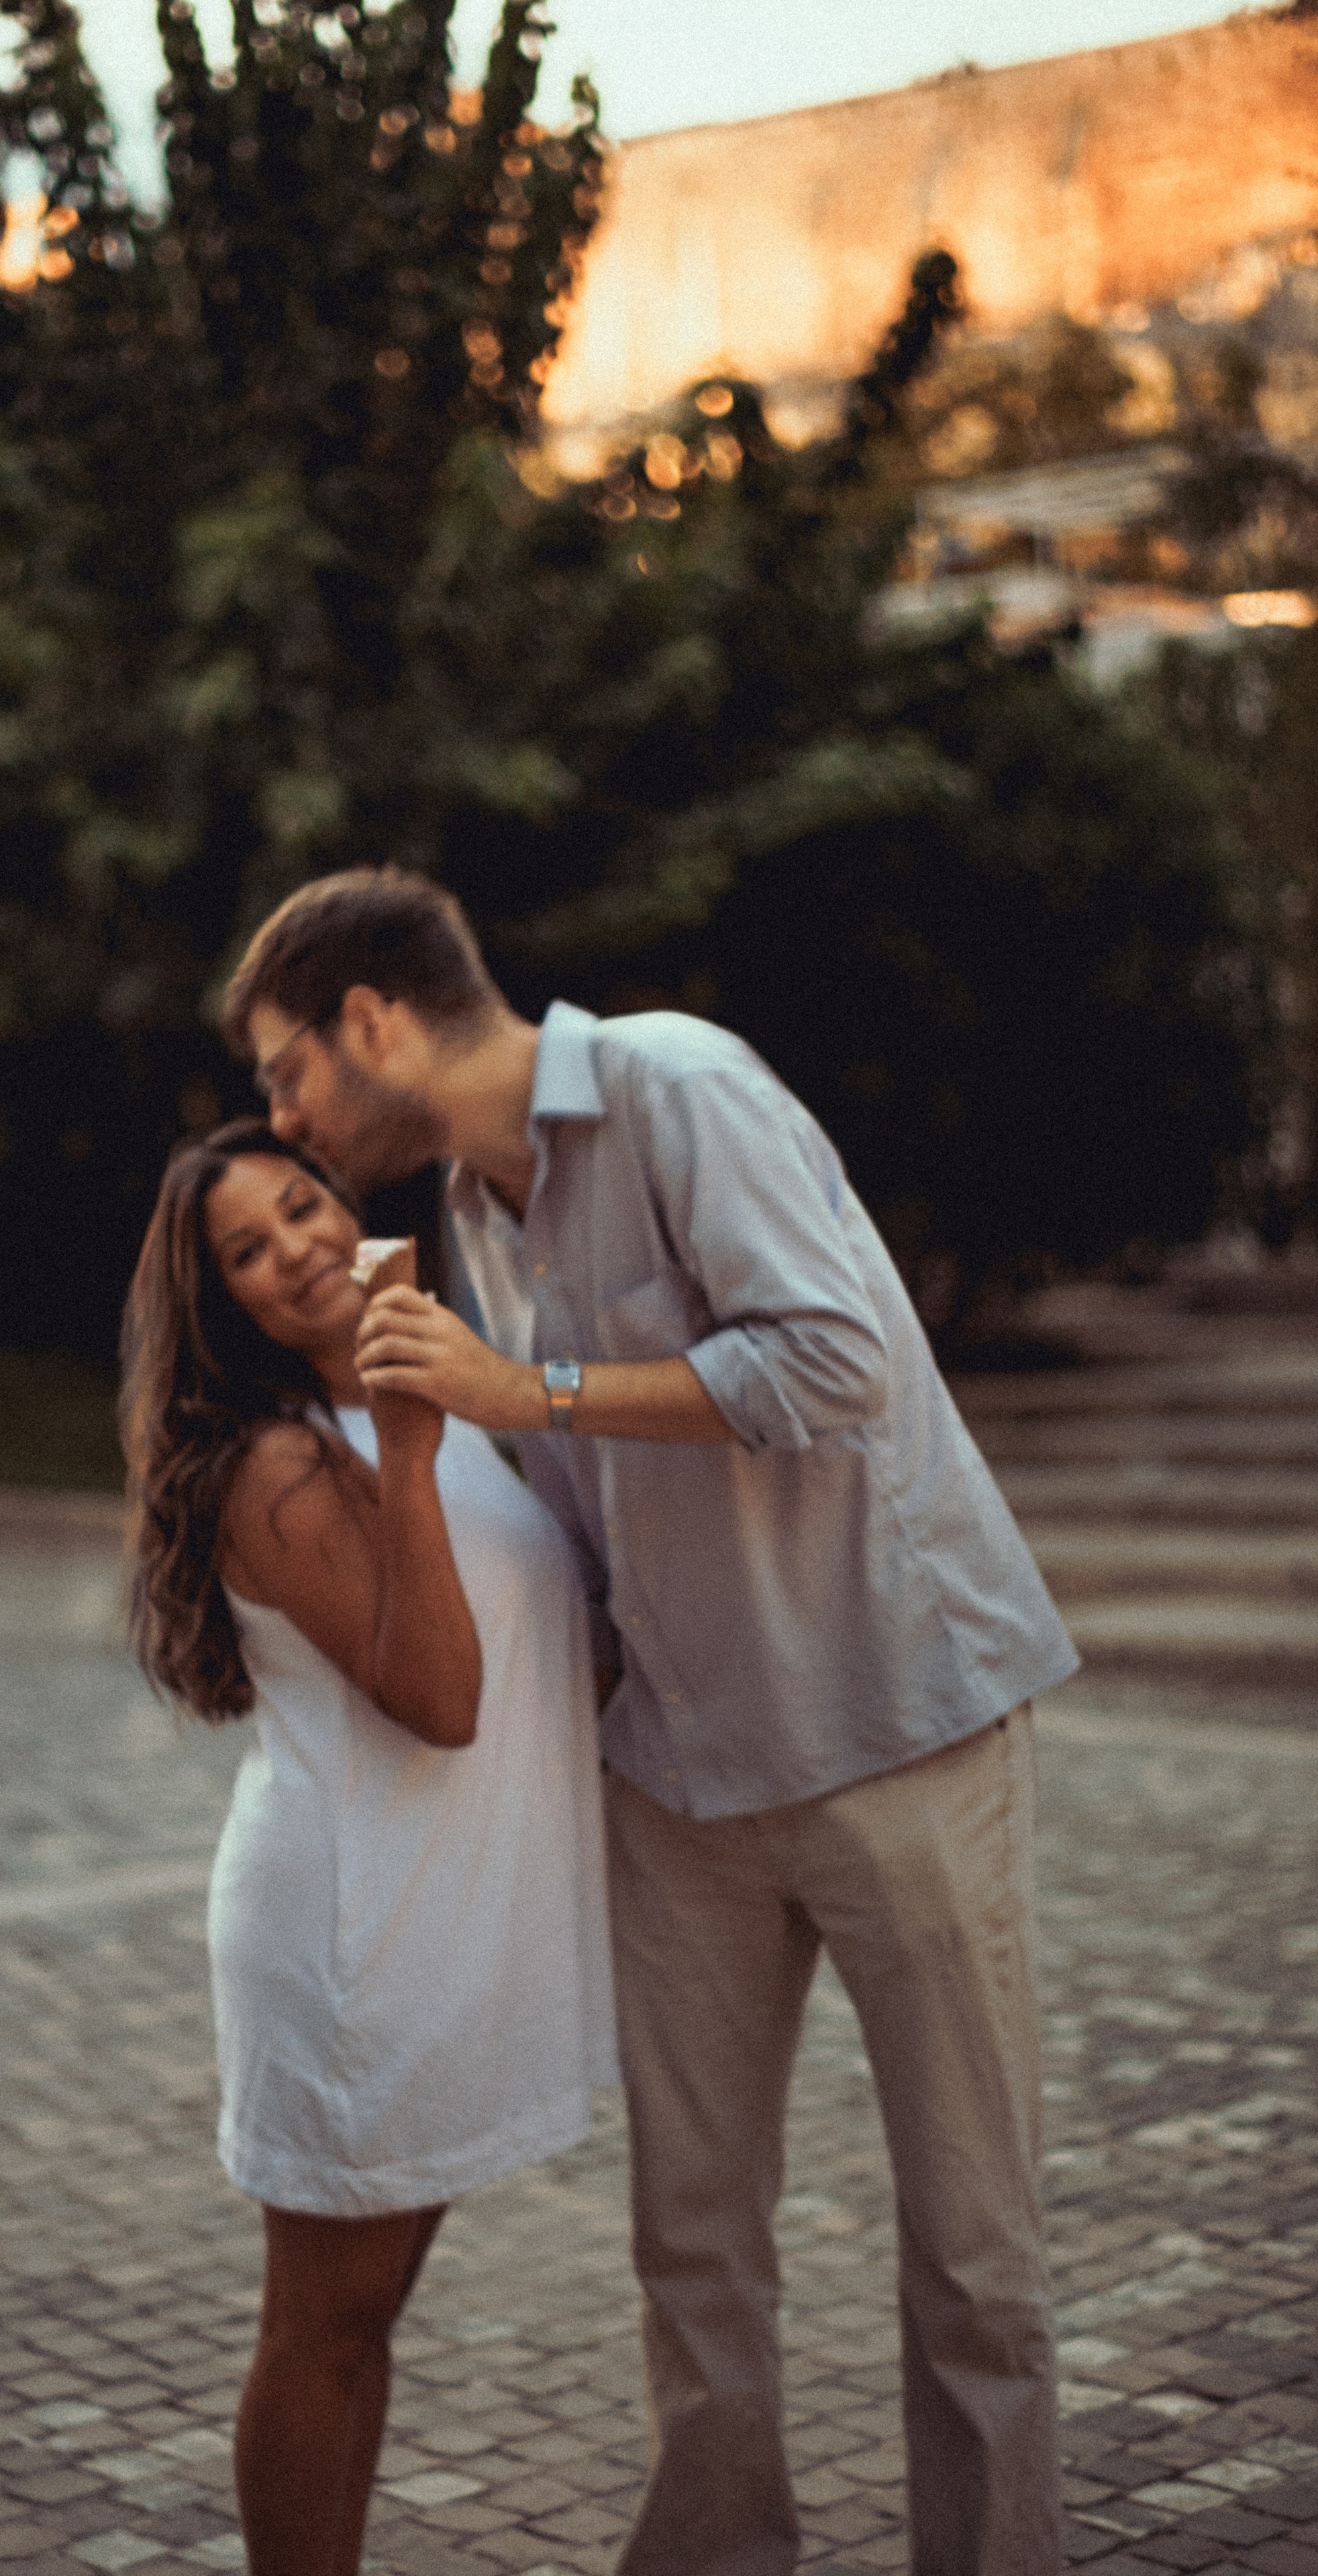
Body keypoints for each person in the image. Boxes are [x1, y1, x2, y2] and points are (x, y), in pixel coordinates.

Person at [219, 868, 1080, 2576]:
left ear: (372, 1022)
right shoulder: (470, 1209)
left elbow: (832, 1361)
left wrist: (520, 1388)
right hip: (679, 1783)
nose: (283, 1120)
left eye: (286, 1073)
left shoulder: (676, 1084)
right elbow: (573, 1505)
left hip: (889, 1728)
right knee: (689, 2248)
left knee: (972, 2255)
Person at [118, 1116, 615, 2576]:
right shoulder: (277, 1464)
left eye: (299, 1207)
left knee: (364, 2323)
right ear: (220, 1302)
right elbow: (442, 1700)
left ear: (345, 1201)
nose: (294, 1251)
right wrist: (403, 1446)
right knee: (321, 2331)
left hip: (442, 1910)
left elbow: (547, 1649)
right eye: (245, 1252)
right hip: (353, 1934)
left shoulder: (429, 1393)